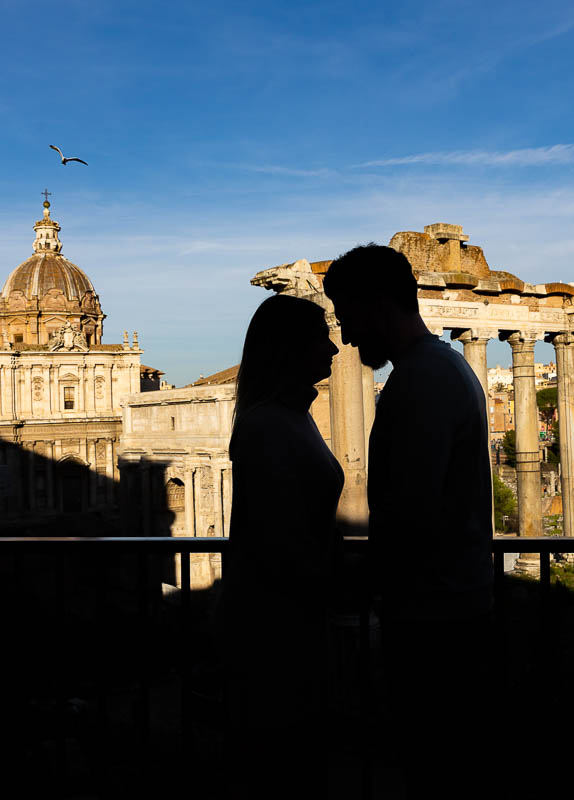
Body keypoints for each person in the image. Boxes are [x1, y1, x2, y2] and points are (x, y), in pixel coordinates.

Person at [323, 244, 495, 796]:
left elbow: (411, 516)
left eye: (348, 319)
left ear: (377, 305)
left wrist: (356, 585)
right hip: (448, 605)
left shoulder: (422, 380)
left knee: (433, 768)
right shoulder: (441, 369)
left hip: (434, 617)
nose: (347, 338)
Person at [215, 294, 342, 799]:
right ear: (290, 348)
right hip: (276, 626)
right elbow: (274, 537)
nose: (333, 348)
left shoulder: (291, 415)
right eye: (319, 338)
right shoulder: (269, 424)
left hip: (290, 615)